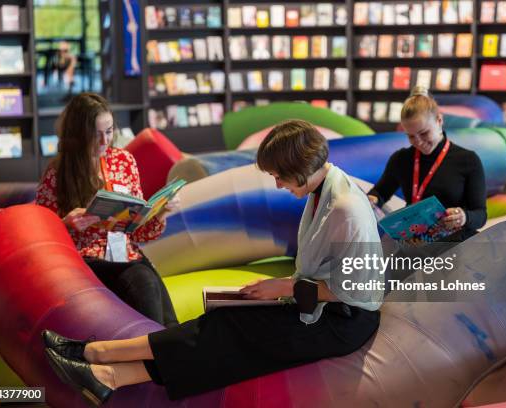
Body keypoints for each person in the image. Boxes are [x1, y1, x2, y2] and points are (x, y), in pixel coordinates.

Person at [41, 120, 384, 405]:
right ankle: (107, 371)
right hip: (318, 304)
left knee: (228, 329)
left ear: (300, 169)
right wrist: (285, 290)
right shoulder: (321, 191)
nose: (278, 185)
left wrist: (284, 288)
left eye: (280, 176)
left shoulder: (344, 207)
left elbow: (357, 290)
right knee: (225, 319)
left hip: (342, 321)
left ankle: (100, 356)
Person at [35, 92, 178, 328]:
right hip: (87, 260)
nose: (105, 141)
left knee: (160, 302)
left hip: (125, 254)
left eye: (110, 131)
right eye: (96, 134)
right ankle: (156, 354)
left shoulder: (124, 161)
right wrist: (65, 224)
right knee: (144, 281)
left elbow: (139, 234)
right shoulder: (57, 172)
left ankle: (165, 354)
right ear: (79, 134)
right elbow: (40, 234)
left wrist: (159, 214)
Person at [368, 87, 487, 242]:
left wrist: (464, 217)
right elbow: (380, 192)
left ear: (439, 120)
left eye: (424, 133)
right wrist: (371, 200)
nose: (418, 142)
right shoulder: (401, 158)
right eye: (411, 136)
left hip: (455, 244)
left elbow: (481, 215)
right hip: (415, 242)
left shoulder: (468, 160)